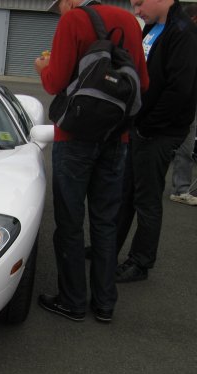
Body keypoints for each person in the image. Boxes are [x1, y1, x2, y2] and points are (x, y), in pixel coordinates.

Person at [34, 0, 148, 322]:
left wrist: (44, 68)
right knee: (105, 221)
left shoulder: (73, 21)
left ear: (69, 1)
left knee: (70, 221)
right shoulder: (130, 20)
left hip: (74, 139)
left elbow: (55, 83)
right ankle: (104, 303)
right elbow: (145, 84)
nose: (60, 12)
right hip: (116, 138)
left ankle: (72, 301)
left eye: (58, 7)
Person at [115, 0, 197, 282]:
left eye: (139, 3)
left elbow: (180, 90)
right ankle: (108, 248)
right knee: (125, 192)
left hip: (159, 131)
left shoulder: (183, 33)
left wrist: (148, 126)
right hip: (140, 126)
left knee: (146, 199)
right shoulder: (151, 27)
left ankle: (140, 262)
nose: (136, 10)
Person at [168, 3, 197, 206]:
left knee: (186, 146)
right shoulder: (183, 37)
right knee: (183, 145)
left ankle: (181, 189)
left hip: (187, 101)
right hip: (181, 102)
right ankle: (181, 189)